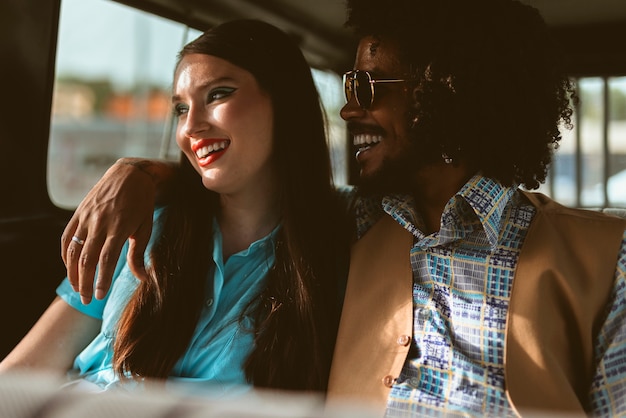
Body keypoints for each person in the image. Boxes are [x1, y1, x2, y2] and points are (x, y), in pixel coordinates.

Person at [19, 0, 626, 416]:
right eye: (345, 87)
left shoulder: (608, 258)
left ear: (450, 91)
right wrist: (138, 174)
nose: (348, 110)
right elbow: (246, 181)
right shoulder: (354, 228)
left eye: (366, 88)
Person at [0, 19, 349, 395]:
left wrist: (141, 172)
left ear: (285, 101)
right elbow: (20, 374)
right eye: (181, 109)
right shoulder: (142, 223)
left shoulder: (343, 237)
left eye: (218, 94)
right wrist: (138, 172)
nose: (191, 127)